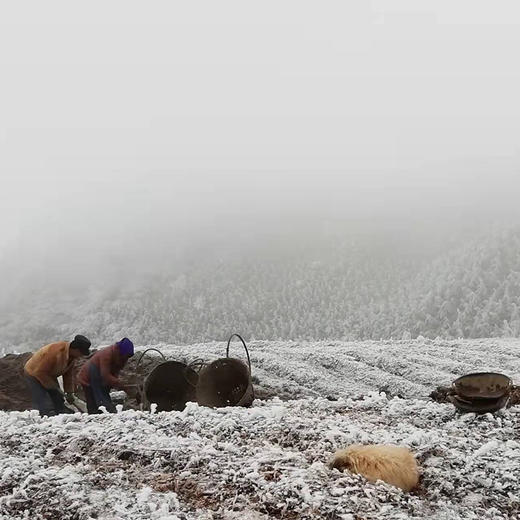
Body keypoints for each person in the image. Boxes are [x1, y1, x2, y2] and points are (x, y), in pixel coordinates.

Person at [24, 335, 91, 417]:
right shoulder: (55, 352)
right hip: (33, 372)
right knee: (42, 396)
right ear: (75, 349)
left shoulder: (72, 357)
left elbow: (68, 375)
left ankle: (61, 411)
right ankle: (47, 414)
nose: (81, 356)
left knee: (58, 397)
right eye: (81, 353)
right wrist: (52, 386)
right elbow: (40, 372)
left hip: (49, 373)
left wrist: (69, 392)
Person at [78, 337, 134, 414]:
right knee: (95, 397)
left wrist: (117, 383)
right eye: (126, 356)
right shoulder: (106, 354)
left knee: (103, 391)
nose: (126, 358)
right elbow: (105, 375)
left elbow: (115, 372)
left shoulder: (121, 358)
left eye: (128, 356)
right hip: (89, 375)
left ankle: (102, 410)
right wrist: (120, 384)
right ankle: (103, 410)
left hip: (100, 375)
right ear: (120, 352)